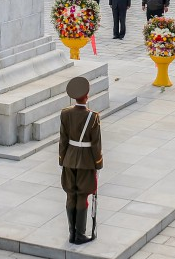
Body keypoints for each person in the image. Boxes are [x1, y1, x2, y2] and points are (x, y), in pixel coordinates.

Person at [59, 76, 102, 245]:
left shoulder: (65, 113)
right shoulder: (93, 117)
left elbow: (63, 139)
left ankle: (71, 234)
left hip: (69, 159)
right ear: (87, 96)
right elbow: (96, 144)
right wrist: (98, 163)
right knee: (82, 196)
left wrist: (62, 159)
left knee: (71, 195)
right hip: (86, 162)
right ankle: (80, 235)